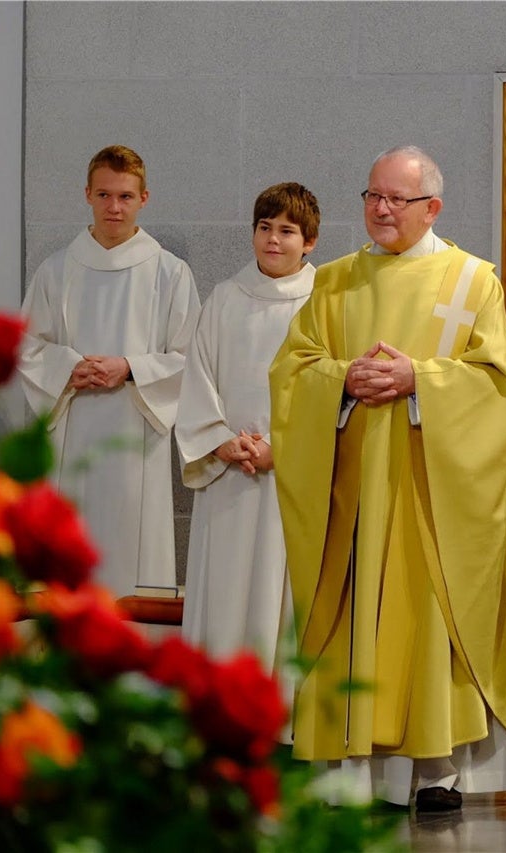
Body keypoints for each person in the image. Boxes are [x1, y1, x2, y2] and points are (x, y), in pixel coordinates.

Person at [269, 146, 506, 811]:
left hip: (429, 492)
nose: (381, 210)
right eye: (372, 196)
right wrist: (342, 380)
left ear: (432, 207)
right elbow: (292, 371)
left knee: (431, 615)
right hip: (352, 491)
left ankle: (436, 769)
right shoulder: (331, 282)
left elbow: (499, 382)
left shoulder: (473, 282)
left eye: (397, 199)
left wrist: (421, 379)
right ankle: (349, 771)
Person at [18, 145, 200, 597]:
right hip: (72, 433)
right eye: (103, 195)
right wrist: (66, 368)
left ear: (144, 198)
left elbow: (192, 357)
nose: (114, 207)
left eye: (125, 196)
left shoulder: (170, 274)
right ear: (87, 195)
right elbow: (25, 346)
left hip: (136, 433)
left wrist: (131, 367)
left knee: (130, 555)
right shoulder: (56, 270)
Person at [176, 183, 320, 709]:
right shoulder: (225, 298)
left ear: (309, 241)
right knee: (226, 598)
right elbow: (198, 378)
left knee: (283, 602)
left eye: (286, 231)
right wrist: (219, 442)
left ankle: (283, 716)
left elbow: (330, 390)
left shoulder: (325, 302)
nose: (273, 240)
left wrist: (280, 448)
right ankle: (219, 714)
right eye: (264, 228)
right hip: (230, 477)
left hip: (292, 478)